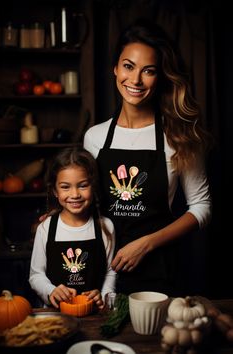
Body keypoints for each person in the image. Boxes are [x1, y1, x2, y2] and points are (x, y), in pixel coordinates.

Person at [83, 20, 212, 296]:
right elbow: (87, 202)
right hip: (102, 270)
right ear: (115, 68)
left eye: (149, 71)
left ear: (161, 76)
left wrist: (146, 244)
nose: (136, 80)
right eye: (128, 66)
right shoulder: (94, 137)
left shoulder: (178, 136)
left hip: (158, 272)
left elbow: (202, 207)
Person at [29, 145, 116, 309]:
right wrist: (51, 290)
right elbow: (36, 275)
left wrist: (104, 295)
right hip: (56, 315)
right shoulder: (46, 228)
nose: (75, 194)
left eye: (83, 185)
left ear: (93, 186)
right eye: (65, 187)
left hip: (96, 315)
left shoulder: (105, 227)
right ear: (55, 190)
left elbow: (110, 272)